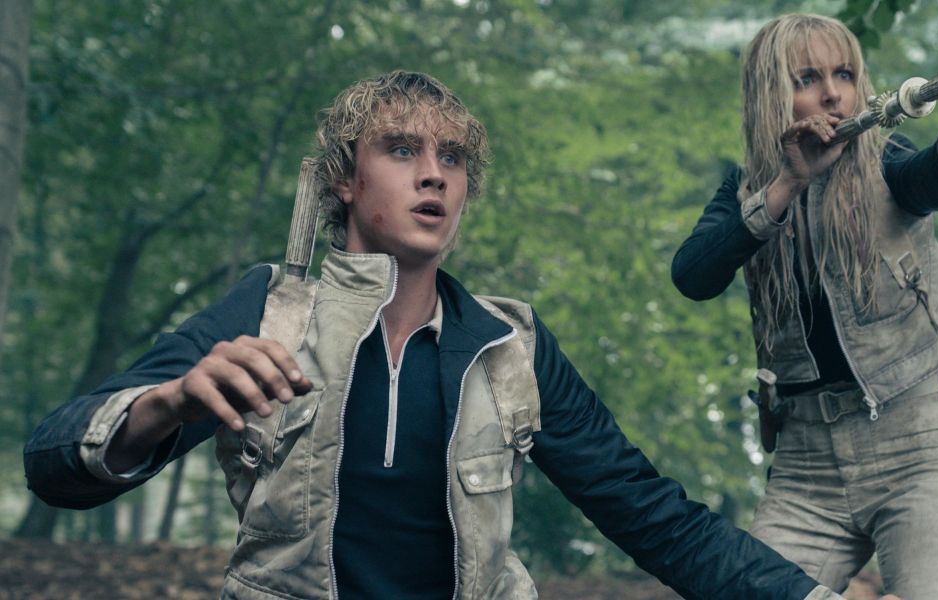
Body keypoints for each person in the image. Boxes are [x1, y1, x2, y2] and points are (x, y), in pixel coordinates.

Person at [23, 69, 883, 600]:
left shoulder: (511, 347)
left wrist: (810, 599)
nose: (433, 174)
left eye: (452, 158)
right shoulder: (270, 311)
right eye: (401, 150)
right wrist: (166, 405)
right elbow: (54, 462)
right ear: (344, 181)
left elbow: (656, 519)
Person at [671, 14, 938, 600]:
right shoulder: (745, 189)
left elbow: (936, 182)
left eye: (843, 74)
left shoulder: (886, 154)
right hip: (804, 467)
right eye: (807, 79)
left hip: (917, 445)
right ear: (770, 94)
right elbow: (693, 276)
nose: (832, 94)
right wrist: (787, 184)